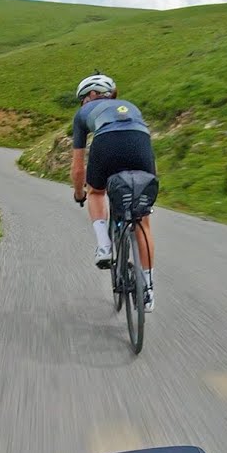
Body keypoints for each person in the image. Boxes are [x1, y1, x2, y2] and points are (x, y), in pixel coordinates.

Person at [70, 73, 157, 312]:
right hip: (141, 143)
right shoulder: (131, 107)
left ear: (91, 95)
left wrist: (80, 193)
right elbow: (146, 144)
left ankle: (104, 247)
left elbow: (78, 168)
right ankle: (148, 291)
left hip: (106, 143)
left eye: (82, 99)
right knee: (143, 221)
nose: (83, 104)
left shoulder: (82, 115)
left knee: (96, 192)